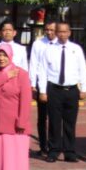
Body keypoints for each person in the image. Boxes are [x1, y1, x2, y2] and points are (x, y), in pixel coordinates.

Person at [39, 22, 86, 163]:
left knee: (70, 123)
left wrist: (84, 88)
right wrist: (43, 91)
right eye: (59, 32)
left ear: (69, 33)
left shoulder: (76, 49)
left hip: (71, 90)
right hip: (54, 89)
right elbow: (42, 71)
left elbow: (82, 69)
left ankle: (69, 152)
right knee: (54, 122)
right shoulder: (49, 50)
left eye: (65, 31)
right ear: (56, 33)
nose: (62, 34)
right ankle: (53, 151)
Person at [28, 20, 57, 156]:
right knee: (42, 117)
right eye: (47, 29)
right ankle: (43, 146)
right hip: (41, 84)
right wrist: (32, 84)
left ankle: (54, 145)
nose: (49, 32)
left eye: (52, 30)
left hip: (56, 84)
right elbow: (33, 64)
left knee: (55, 117)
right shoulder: (38, 44)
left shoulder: (61, 45)